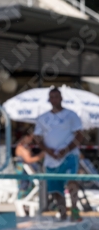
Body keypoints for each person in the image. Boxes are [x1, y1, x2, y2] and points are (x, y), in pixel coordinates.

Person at [33, 87, 83, 221]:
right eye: (52, 97)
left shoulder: (71, 115)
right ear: (49, 100)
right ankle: (62, 214)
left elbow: (80, 135)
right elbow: (37, 137)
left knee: (72, 182)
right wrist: (48, 151)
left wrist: (66, 149)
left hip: (70, 156)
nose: (55, 99)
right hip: (51, 158)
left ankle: (74, 210)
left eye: (57, 96)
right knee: (56, 189)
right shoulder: (43, 118)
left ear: (61, 98)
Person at [15, 134, 44, 199]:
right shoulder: (22, 147)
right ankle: (22, 201)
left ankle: (23, 201)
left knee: (25, 186)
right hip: (23, 170)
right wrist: (41, 155)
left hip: (24, 170)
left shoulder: (25, 147)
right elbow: (28, 160)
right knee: (24, 186)